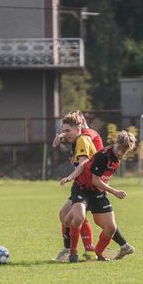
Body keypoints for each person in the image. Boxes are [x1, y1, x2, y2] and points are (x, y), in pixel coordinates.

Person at [63, 131, 136, 262]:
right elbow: (95, 180)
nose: (120, 152)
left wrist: (106, 188)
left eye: (124, 151)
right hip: (82, 188)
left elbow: (104, 178)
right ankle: (73, 253)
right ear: (115, 143)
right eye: (119, 148)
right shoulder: (103, 156)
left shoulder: (116, 160)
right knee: (79, 217)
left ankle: (99, 253)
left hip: (97, 193)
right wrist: (114, 191)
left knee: (111, 227)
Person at [53, 112, 97, 262]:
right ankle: (69, 250)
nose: (65, 134)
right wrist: (61, 135)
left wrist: (70, 177)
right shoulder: (77, 140)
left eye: (67, 131)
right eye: (63, 131)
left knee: (77, 217)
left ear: (78, 128)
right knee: (64, 215)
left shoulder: (82, 140)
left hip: (89, 187)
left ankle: (84, 250)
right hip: (82, 185)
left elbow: (84, 163)